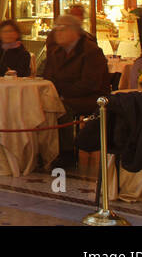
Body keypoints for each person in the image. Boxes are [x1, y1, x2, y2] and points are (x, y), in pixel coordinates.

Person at [41, 14, 109, 170]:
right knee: (39, 104)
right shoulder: (56, 51)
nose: (57, 32)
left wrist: (62, 94)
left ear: (75, 31)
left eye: (62, 28)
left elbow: (90, 83)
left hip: (92, 97)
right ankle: (44, 151)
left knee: (61, 109)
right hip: (62, 94)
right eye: (56, 28)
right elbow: (48, 77)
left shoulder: (91, 51)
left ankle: (66, 152)